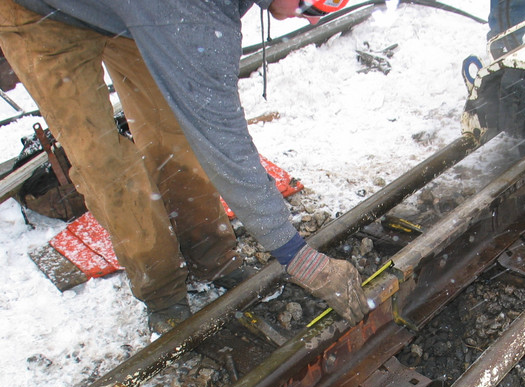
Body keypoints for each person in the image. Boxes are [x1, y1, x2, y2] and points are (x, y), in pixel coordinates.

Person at [0, 0, 367, 333]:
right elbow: (222, 139)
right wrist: (297, 257)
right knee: (106, 166)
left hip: (137, 11)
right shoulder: (193, 14)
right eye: (307, 6)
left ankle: (211, 255)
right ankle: (161, 288)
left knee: (172, 134)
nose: (302, 16)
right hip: (42, 16)